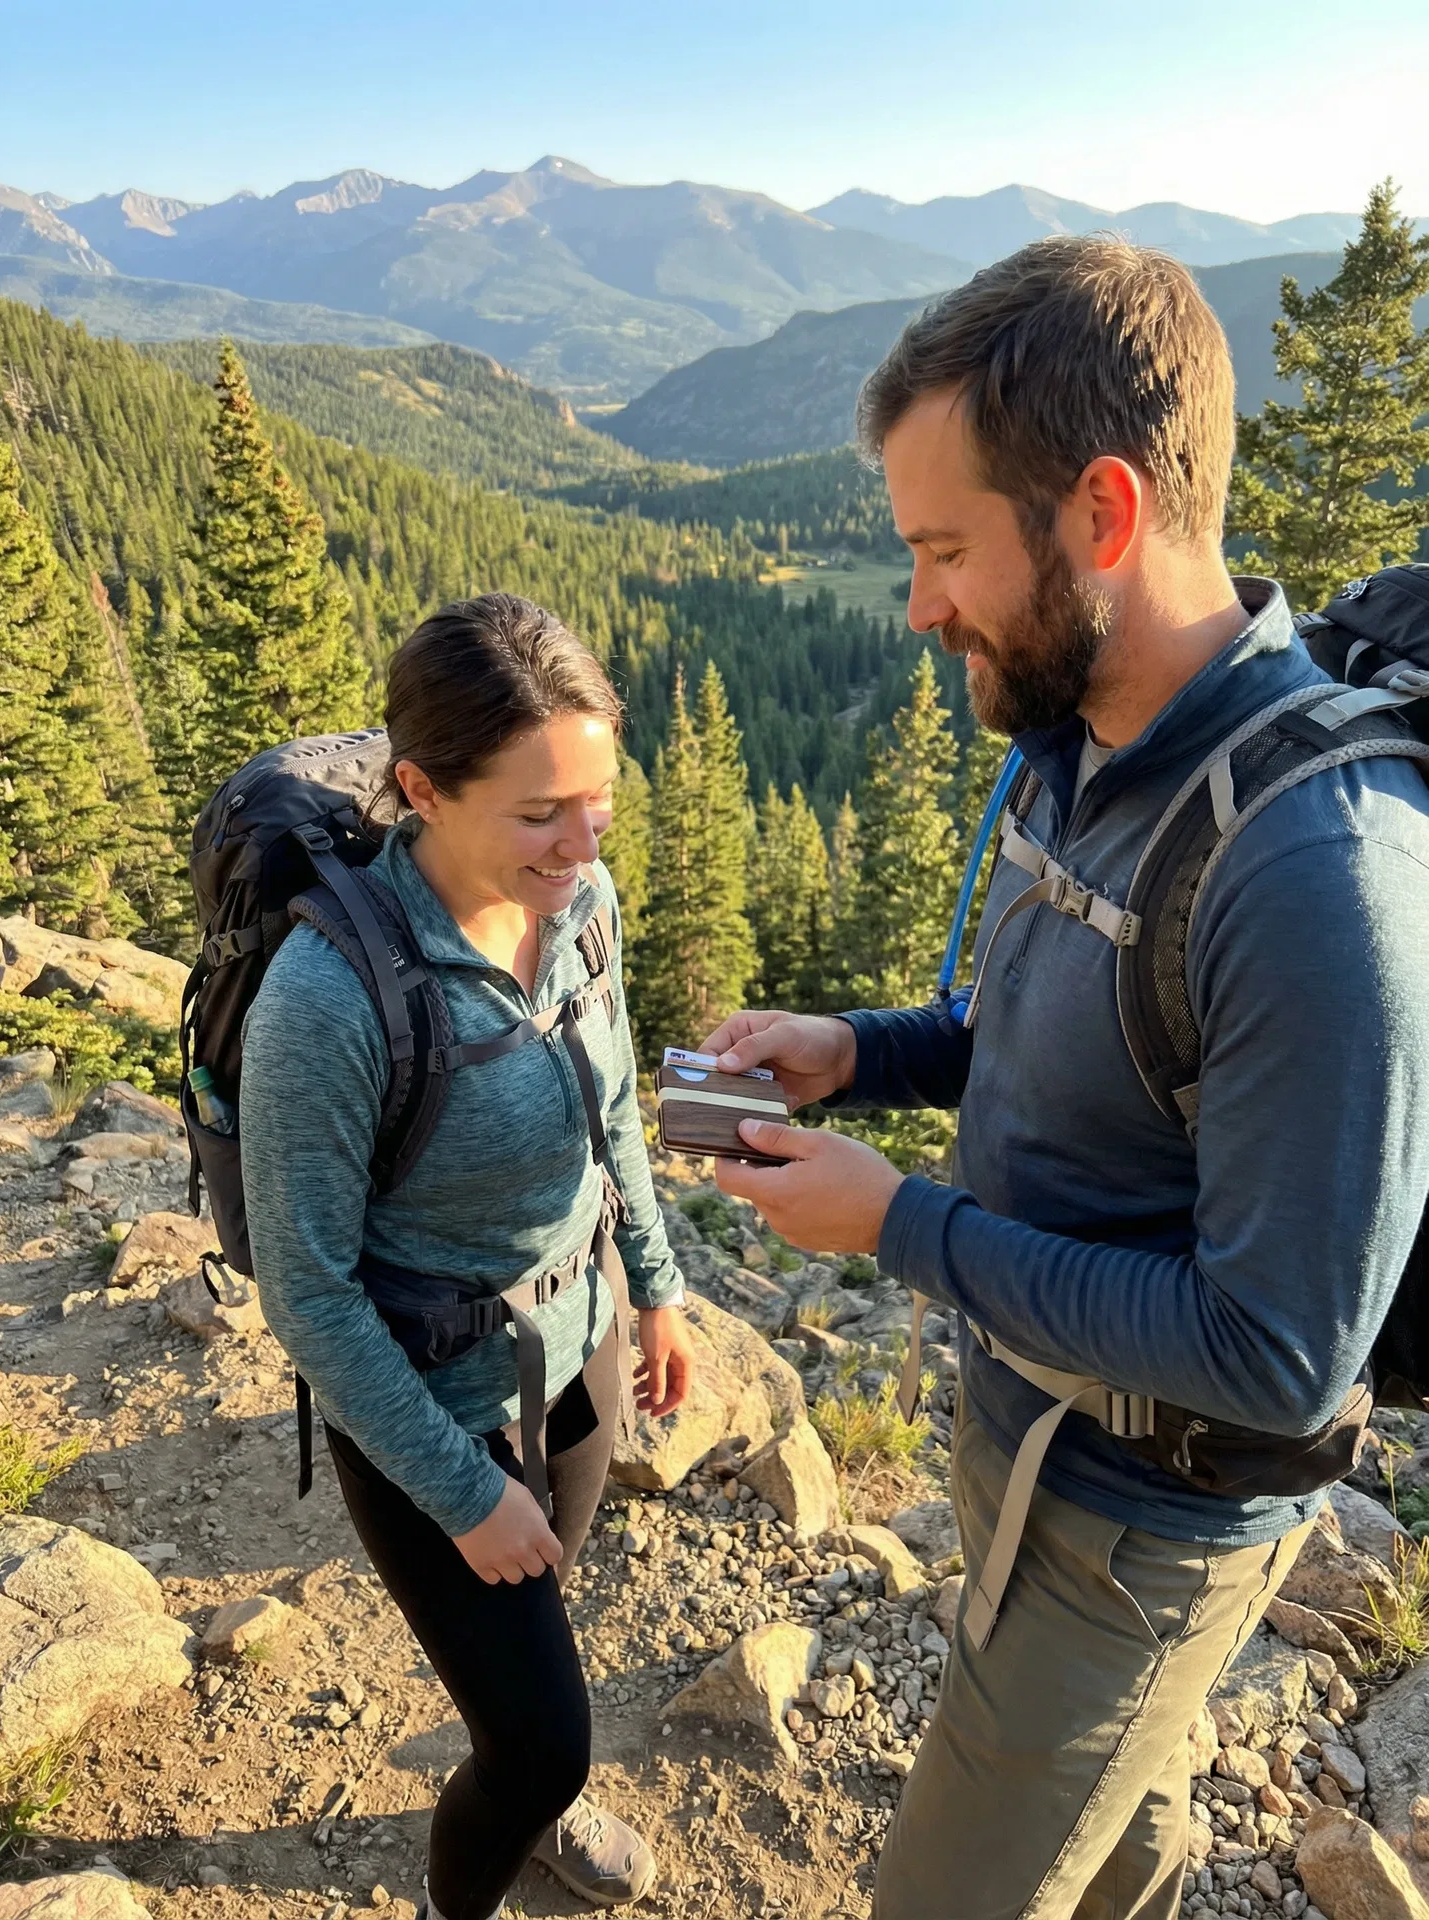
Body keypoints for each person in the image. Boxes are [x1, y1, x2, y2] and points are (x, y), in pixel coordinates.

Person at [705, 238, 1429, 1918]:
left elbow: (1276, 1350)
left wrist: (902, 1230)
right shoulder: (1085, 732)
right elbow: (1102, 1035)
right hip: (1028, 1414)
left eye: (945, 548)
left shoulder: (1317, 882)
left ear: (1100, 517)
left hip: (1142, 1522)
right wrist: (864, 1054)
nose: (918, 604)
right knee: (1110, 1841)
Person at [240, 594, 695, 1920]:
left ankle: (519, 1789)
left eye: (599, 797)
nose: (583, 838)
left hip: (580, 1346)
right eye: (541, 810)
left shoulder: (582, 899)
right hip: (435, 1400)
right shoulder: (328, 1003)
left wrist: (656, 1288)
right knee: (546, 1740)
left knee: (542, 1610)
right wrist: (455, 1491)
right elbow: (308, 1292)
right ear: (422, 791)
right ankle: (471, 1886)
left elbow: (613, 1103)